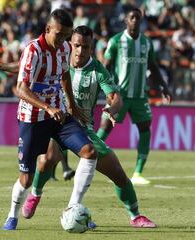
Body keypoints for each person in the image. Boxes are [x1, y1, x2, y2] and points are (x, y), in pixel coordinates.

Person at [21, 25, 157, 228]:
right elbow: (27, 67)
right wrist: (0, 66)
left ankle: (135, 215)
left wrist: (112, 108)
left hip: (84, 130)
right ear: (70, 44)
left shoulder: (97, 70)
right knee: (47, 159)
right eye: (76, 45)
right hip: (57, 125)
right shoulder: (59, 59)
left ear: (91, 48)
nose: (80, 51)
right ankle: (35, 194)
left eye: (85, 47)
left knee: (118, 173)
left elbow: (115, 97)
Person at [0, 9, 97, 231]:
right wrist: (48, 107)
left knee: (89, 151)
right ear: (48, 29)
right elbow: (21, 88)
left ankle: (73, 207)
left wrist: (70, 104)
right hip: (32, 118)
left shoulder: (64, 48)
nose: (63, 40)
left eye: (66, 36)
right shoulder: (33, 50)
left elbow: (64, 76)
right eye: (59, 34)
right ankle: (12, 216)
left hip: (58, 115)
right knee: (26, 179)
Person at [96, 6, 172, 186]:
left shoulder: (146, 43)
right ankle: (87, 163)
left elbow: (152, 66)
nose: (135, 21)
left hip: (139, 96)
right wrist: (106, 90)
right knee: (104, 127)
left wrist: (163, 86)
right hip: (119, 96)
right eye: (132, 18)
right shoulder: (116, 41)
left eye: (138, 18)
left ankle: (138, 172)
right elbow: (105, 67)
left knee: (145, 129)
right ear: (126, 20)